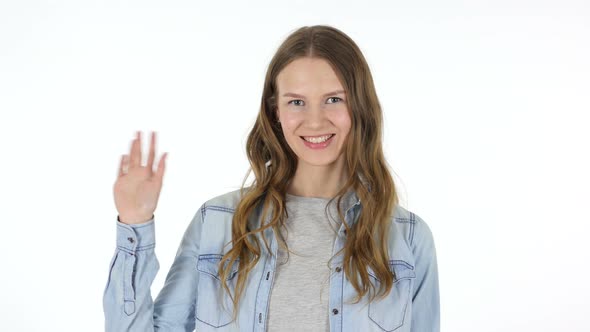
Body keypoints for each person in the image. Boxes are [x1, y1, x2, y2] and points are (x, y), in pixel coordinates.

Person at [103, 25, 440, 332]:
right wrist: (135, 224)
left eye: (334, 99)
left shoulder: (408, 239)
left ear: (360, 107)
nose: (315, 121)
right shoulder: (218, 223)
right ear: (275, 111)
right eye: (297, 102)